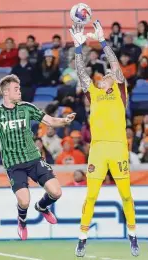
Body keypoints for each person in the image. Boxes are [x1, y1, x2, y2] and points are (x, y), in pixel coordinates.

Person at [0, 74, 76, 240]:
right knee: (24, 201)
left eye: (19, 88)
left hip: (34, 159)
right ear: (5, 92)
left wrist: (65, 120)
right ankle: (22, 220)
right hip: (14, 164)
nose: (20, 91)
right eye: (16, 89)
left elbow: (49, 121)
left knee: (56, 192)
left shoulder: (26, 107)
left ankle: (41, 207)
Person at [69, 21, 139, 257]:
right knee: (91, 195)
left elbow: (115, 66)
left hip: (119, 148)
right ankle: (82, 238)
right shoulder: (94, 94)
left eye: (108, 75)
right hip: (98, 150)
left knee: (126, 194)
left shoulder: (120, 92)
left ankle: (132, 235)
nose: (104, 76)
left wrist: (102, 40)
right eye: (103, 76)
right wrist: (78, 47)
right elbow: (81, 72)